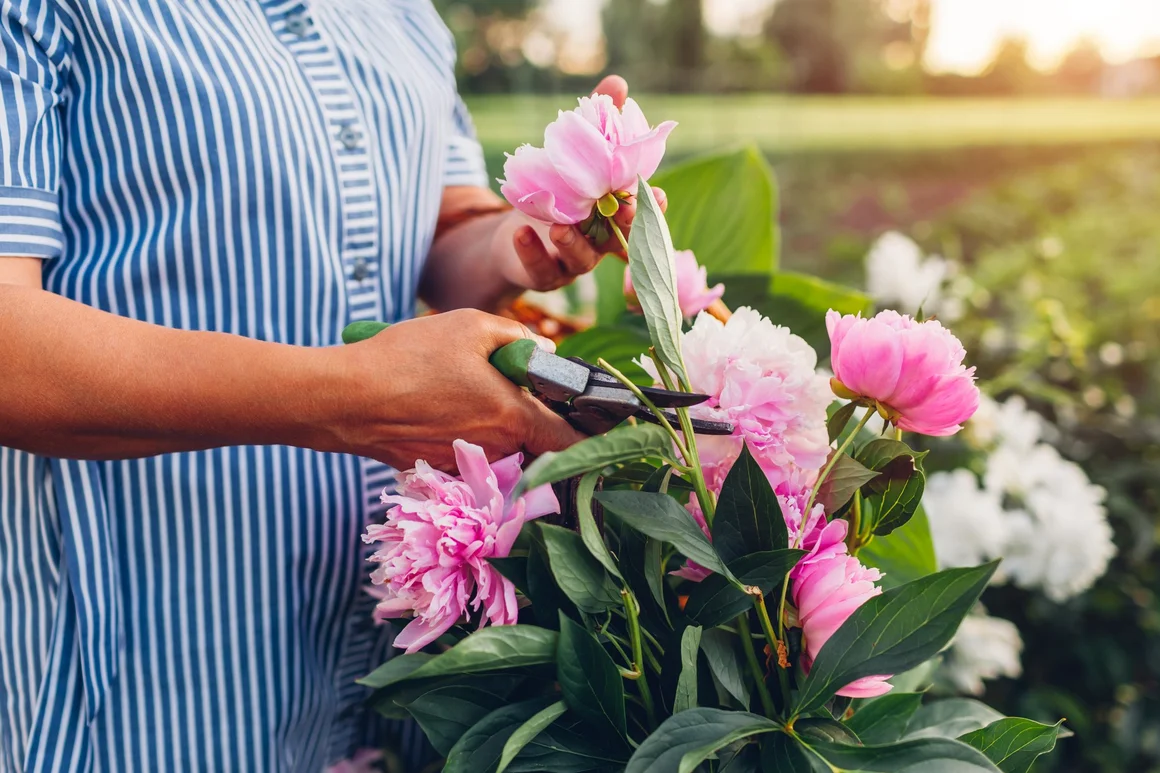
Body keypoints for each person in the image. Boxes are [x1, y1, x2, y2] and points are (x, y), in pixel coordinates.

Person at [0, 2, 658, 770]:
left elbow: (439, 225)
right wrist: (350, 398)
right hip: (158, 674)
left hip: (384, 657)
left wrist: (526, 240)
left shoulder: (401, 15)